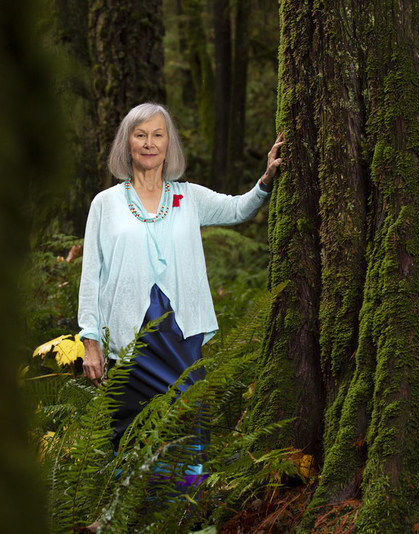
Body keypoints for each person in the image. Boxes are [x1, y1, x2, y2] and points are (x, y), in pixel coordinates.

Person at [77, 102, 283, 457]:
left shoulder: (188, 197)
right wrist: (90, 340)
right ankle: (128, 508)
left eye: (158, 135)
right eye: (140, 135)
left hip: (181, 333)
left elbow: (239, 208)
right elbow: (91, 274)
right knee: (131, 427)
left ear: (169, 144)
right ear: (127, 143)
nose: (149, 143)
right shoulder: (105, 203)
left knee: (187, 416)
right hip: (130, 336)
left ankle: (186, 504)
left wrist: (265, 180)